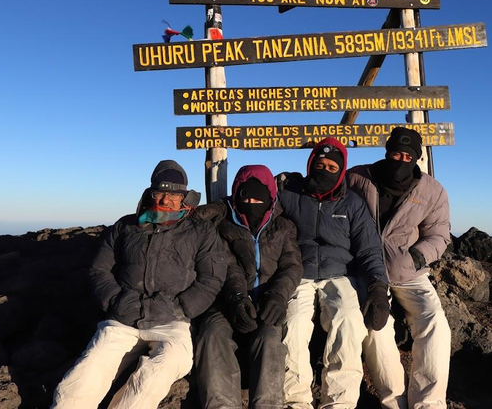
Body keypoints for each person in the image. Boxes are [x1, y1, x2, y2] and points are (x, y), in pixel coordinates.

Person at [51, 160, 227, 409]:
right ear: (151, 192)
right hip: (123, 318)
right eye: (161, 193)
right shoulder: (125, 226)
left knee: (168, 362)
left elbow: (211, 279)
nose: (166, 200)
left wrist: (180, 310)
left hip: (172, 321)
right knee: (90, 367)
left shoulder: (200, 231)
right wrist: (116, 301)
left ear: (185, 197)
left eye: (174, 195)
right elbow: (99, 269)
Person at [277, 137, 391, 409]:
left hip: (339, 275)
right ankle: (296, 402)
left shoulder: (352, 203)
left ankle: (339, 403)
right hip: (299, 274)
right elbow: (258, 201)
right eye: (319, 164)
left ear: (341, 171)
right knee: (292, 327)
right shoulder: (290, 195)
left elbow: (369, 249)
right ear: (310, 164)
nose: (324, 170)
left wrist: (378, 287)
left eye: (331, 167)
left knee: (349, 323)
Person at [346, 127, 452, 409]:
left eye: (408, 155)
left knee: (435, 323)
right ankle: (394, 401)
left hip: (408, 273)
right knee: (376, 327)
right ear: (386, 151)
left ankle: (428, 403)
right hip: (365, 271)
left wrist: (416, 258)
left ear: (416, 158)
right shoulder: (357, 177)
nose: (401, 160)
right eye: (396, 153)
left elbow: (439, 235)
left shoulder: (432, 190)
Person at [193, 165, 303, 409]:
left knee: (270, 340)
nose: (252, 203)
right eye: (246, 197)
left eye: (258, 198)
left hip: (267, 300)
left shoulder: (283, 227)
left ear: (269, 198)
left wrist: (278, 295)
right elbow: (223, 263)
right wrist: (236, 297)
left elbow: (292, 266)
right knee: (212, 335)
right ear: (236, 196)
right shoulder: (222, 224)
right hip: (225, 300)